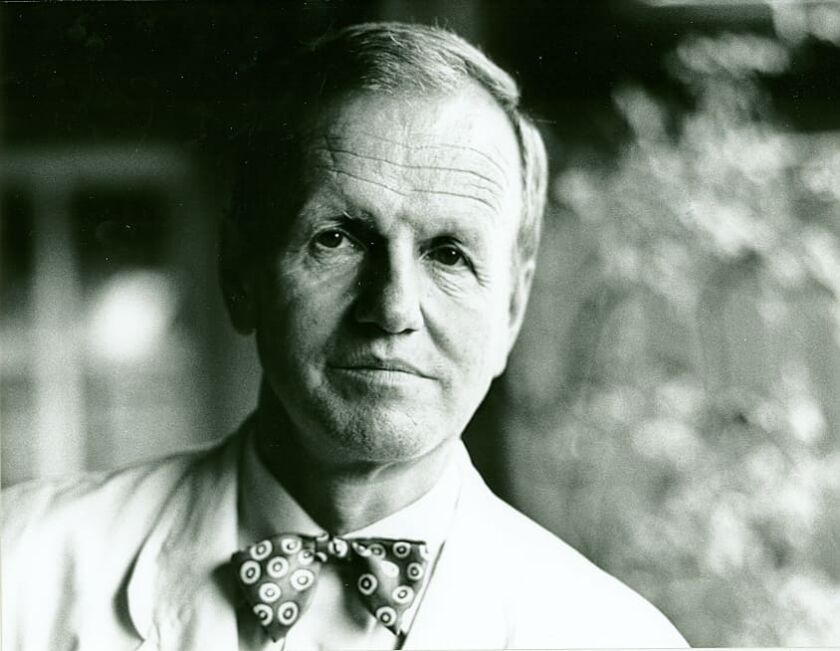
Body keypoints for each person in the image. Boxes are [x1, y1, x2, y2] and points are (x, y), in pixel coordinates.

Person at [2, 22, 688, 650]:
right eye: (337, 239)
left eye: (450, 254)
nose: (392, 308)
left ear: (512, 305)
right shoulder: (19, 569)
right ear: (241, 272)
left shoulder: (614, 638)